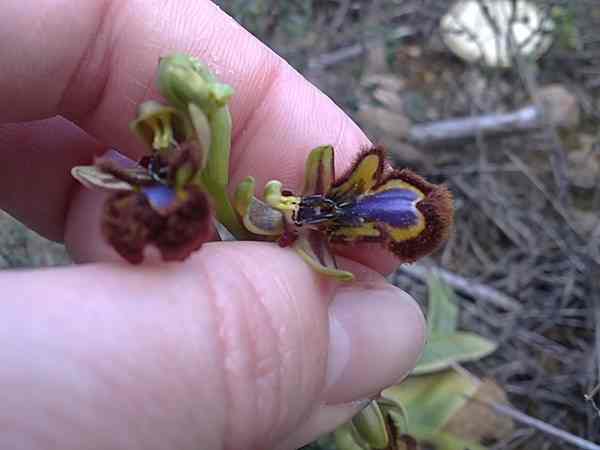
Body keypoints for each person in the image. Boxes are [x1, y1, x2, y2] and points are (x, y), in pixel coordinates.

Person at [0, 1, 425, 449]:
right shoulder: (180, 167)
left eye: (168, 134)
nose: (162, 138)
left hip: (296, 215)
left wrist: (285, 209)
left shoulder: (273, 184)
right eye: (158, 135)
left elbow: (268, 201)